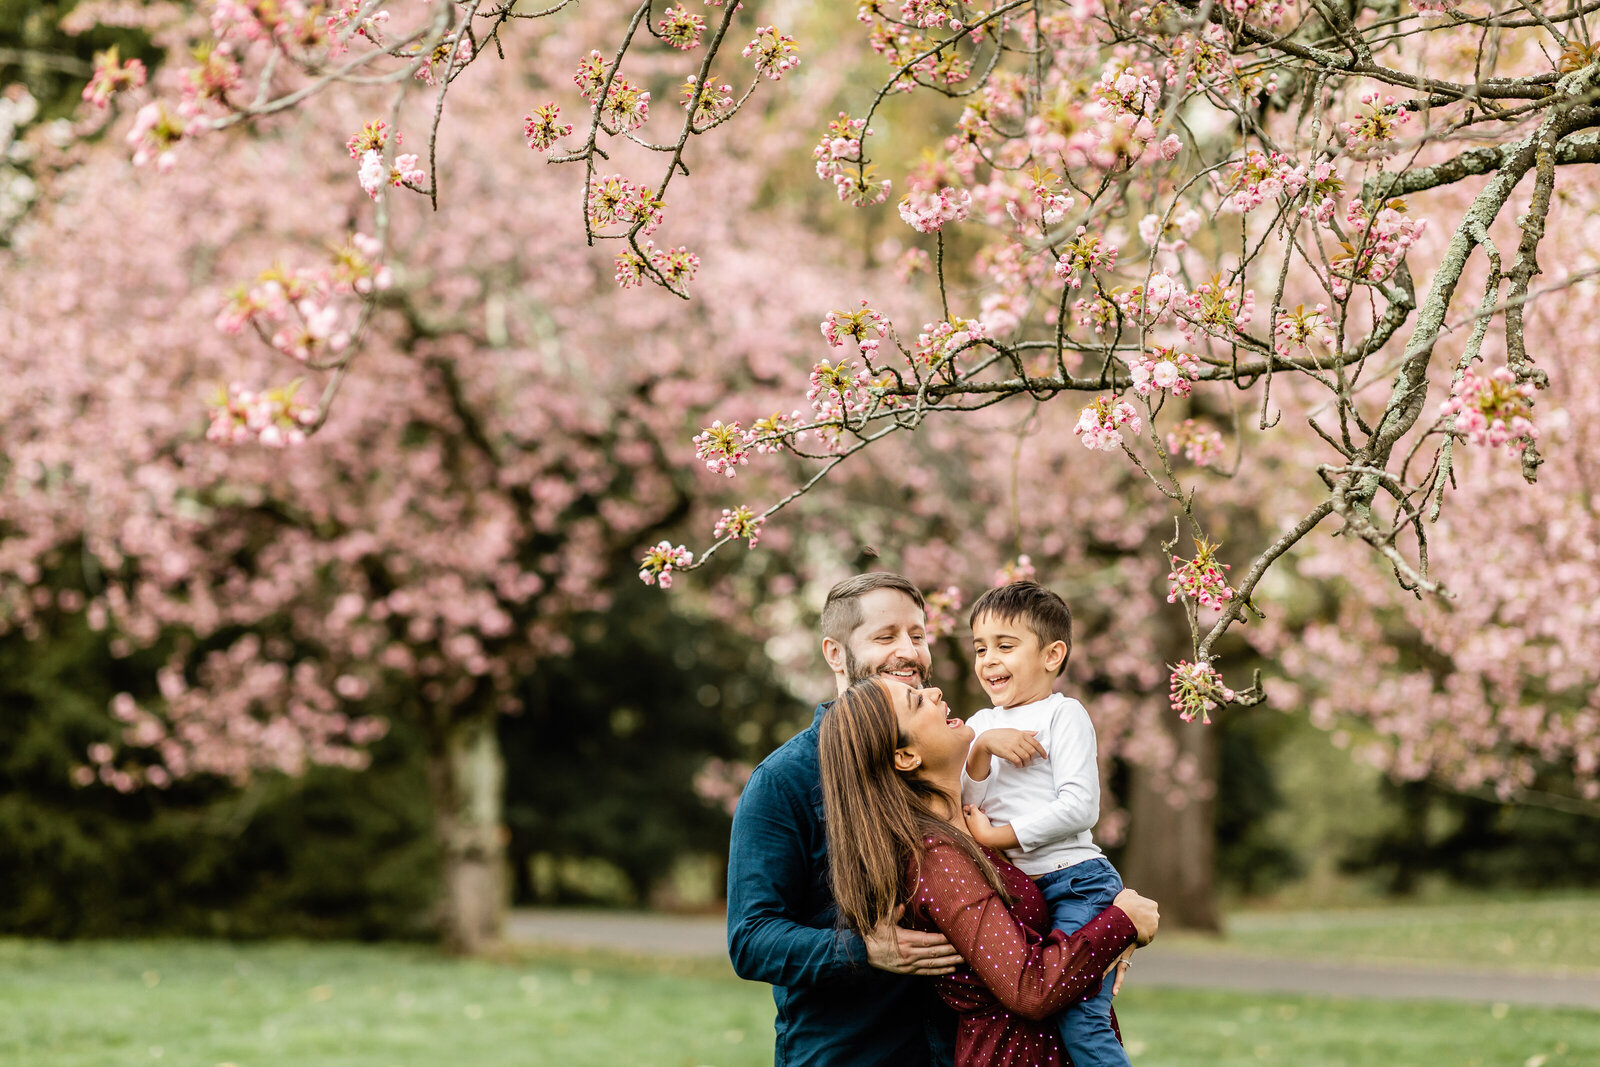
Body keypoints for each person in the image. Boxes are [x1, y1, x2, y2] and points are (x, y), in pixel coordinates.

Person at [819, 676, 1160, 1067]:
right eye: (917, 702)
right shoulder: (938, 859)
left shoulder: (977, 823)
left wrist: (1112, 922)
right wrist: (1122, 922)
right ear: (906, 757)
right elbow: (1028, 988)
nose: (935, 692)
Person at [726, 573, 962, 1066]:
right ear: (835, 653)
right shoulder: (784, 781)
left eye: (918, 635)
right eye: (885, 636)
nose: (910, 652)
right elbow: (751, 939)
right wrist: (863, 950)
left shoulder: (945, 757)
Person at [959, 580, 1131, 1066]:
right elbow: (966, 804)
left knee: (1081, 1019)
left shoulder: (1064, 715)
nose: (989, 659)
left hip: (1076, 883)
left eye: (1005, 646)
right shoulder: (980, 724)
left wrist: (1001, 837)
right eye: (980, 648)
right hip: (1021, 893)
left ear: (1053, 654)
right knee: (1031, 1012)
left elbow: (1080, 807)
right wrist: (981, 749)